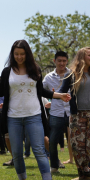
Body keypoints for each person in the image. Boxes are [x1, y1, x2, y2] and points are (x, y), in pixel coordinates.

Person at [0, 40, 71, 180]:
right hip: (13, 118)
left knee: (39, 151)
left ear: (27, 54)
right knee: (17, 154)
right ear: (12, 54)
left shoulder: (35, 69)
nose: (19, 57)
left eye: (22, 54)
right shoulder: (7, 71)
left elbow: (41, 90)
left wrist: (59, 95)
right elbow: (0, 92)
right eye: (16, 54)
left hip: (34, 116)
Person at [59, 47, 90, 180]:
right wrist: (59, 96)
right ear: (82, 57)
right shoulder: (71, 75)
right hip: (77, 116)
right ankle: (83, 174)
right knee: (78, 147)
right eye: (89, 55)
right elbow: (61, 91)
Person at [43, 51, 73, 172]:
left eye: (64, 61)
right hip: (56, 112)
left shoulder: (73, 74)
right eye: (59, 60)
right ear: (55, 61)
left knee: (79, 140)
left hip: (72, 111)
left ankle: (84, 166)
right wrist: (49, 100)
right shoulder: (48, 77)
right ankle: (54, 166)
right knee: (53, 140)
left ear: (67, 61)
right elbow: (40, 90)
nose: (62, 63)